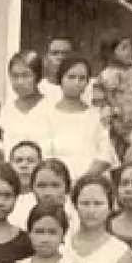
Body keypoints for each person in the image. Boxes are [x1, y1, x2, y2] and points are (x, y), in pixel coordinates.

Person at [48, 54, 110, 187]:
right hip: (56, 185)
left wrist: (82, 182)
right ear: (61, 79)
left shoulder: (97, 116)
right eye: (71, 77)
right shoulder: (47, 115)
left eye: (82, 78)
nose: (77, 83)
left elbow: (105, 156)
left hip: (91, 184)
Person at [0, 51, 58, 162]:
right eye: (15, 76)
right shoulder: (6, 111)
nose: (20, 82)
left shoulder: (52, 108)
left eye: (26, 75)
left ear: (37, 76)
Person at [37, 36, 76, 100]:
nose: (60, 57)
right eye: (54, 53)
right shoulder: (38, 89)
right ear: (46, 57)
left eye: (65, 54)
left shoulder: (83, 88)